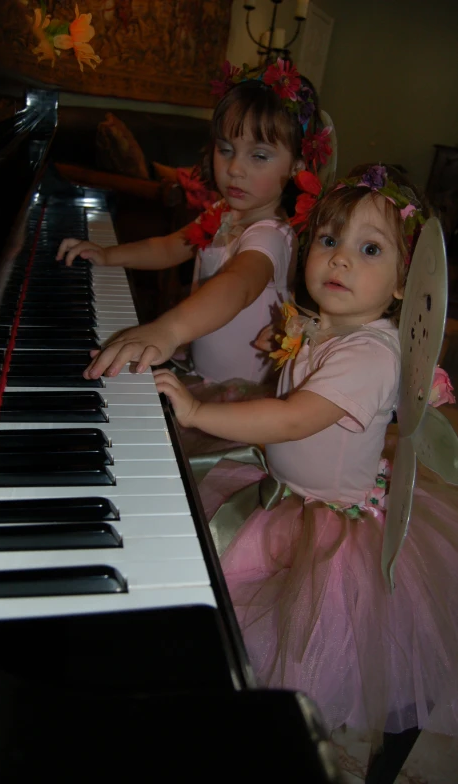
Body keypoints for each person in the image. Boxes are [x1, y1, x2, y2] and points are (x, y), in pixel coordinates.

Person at [153, 163, 458, 741]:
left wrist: (196, 413)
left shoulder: (370, 355)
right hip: (288, 493)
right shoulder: (326, 326)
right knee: (225, 576)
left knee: (297, 635)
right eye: (328, 240)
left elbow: (293, 418)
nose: (340, 258)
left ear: (402, 285)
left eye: (369, 249)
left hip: (333, 519)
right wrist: (289, 345)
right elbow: (300, 367)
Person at [56, 59, 331, 401]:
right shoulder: (223, 213)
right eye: (226, 150)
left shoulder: (270, 236)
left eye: (258, 156)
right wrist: (108, 255)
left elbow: (238, 287)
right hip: (202, 369)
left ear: (297, 166)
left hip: (236, 391)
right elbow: (170, 247)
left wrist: (168, 330)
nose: (234, 168)